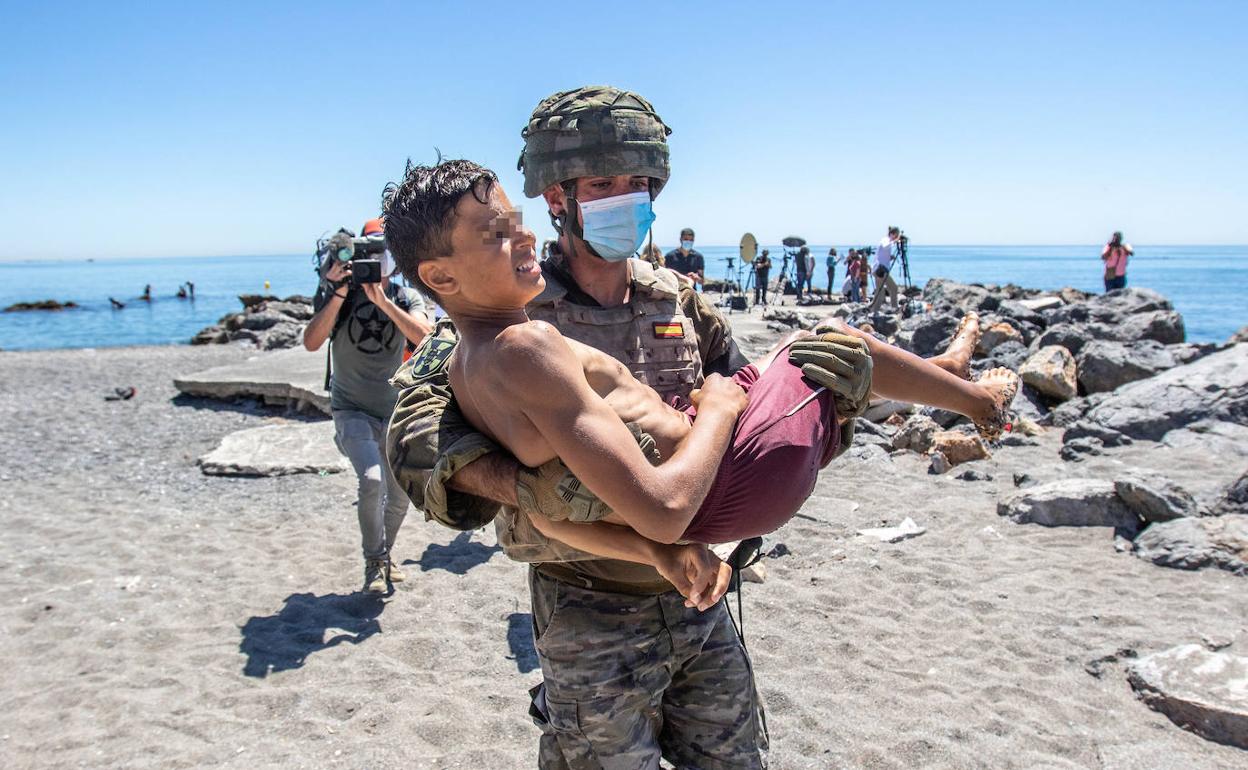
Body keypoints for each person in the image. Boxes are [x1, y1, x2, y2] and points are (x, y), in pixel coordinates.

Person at [385, 86, 864, 769]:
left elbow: (750, 420)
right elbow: (413, 430)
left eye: (638, 184)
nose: (625, 198)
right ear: (558, 197)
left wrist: (832, 417)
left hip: (704, 589)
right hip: (586, 604)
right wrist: (523, 485)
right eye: (603, 183)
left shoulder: (678, 298)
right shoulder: (511, 312)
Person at [384, 159, 1019, 566]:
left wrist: (661, 555)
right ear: (441, 274)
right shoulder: (527, 346)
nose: (522, 238)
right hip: (724, 482)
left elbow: (548, 503)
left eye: (516, 224)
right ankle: (980, 400)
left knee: (790, 359)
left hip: (696, 501)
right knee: (825, 343)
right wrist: (715, 411)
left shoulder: (469, 364)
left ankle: (951, 373)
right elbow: (661, 509)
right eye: (496, 234)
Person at [303, 223, 432, 594]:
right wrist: (338, 292)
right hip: (350, 408)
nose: (374, 261)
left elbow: (423, 338)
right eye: (367, 253)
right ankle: (374, 559)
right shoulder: (335, 293)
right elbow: (312, 342)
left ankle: (383, 557)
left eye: (381, 253)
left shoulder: (405, 295)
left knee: (401, 494)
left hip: (395, 410)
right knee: (371, 480)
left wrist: (383, 302)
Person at [867, 227, 901, 313]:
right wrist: (895, 241)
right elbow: (885, 246)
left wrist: (890, 257)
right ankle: (894, 308)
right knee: (893, 288)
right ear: (893, 234)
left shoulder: (886, 240)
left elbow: (881, 255)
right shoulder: (886, 240)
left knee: (880, 293)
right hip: (881, 269)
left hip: (878, 269)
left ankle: (873, 310)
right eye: (896, 235)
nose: (896, 237)